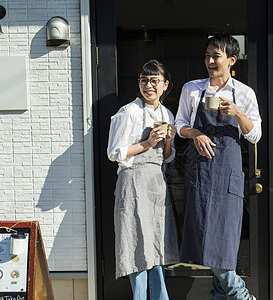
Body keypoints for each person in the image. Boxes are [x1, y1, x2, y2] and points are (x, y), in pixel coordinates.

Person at [175, 33, 261, 300]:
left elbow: (255, 134)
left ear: (231, 60)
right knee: (203, 240)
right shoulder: (192, 89)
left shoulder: (244, 93)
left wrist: (238, 113)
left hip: (227, 174)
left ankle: (240, 296)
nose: (210, 61)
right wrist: (196, 134)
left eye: (216, 56)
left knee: (222, 242)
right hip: (200, 172)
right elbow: (179, 125)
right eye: (208, 55)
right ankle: (228, 296)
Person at [107, 60, 179, 299]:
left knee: (156, 244)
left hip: (156, 183)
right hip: (133, 181)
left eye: (154, 80)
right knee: (136, 243)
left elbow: (167, 158)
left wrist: (168, 140)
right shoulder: (129, 112)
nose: (149, 85)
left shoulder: (166, 114)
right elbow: (114, 152)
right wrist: (147, 143)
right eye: (144, 80)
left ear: (165, 85)